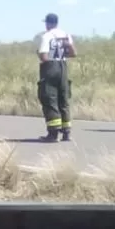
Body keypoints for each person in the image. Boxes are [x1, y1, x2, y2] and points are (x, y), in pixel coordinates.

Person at [36, 12, 76, 142]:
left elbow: (44, 56)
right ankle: (66, 132)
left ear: (48, 23)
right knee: (63, 99)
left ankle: (53, 133)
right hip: (63, 66)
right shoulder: (66, 35)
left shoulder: (46, 36)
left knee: (50, 99)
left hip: (50, 68)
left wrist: (41, 57)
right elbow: (73, 53)